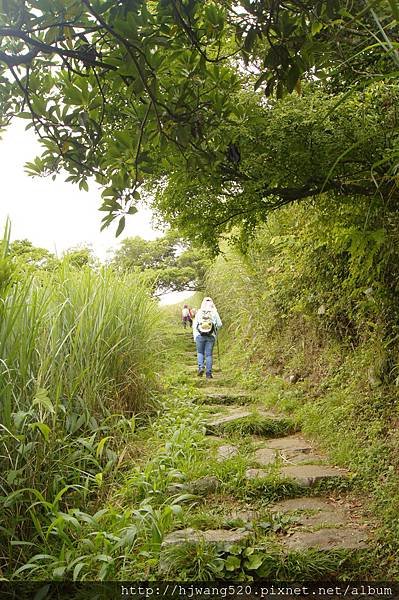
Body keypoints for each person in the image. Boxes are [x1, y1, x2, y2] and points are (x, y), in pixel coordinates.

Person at [192, 297, 222, 379]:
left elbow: (194, 325)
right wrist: (214, 329)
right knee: (209, 355)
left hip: (199, 335)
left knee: (200, 352)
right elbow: (219, 324)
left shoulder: (199, 312)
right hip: (211, 336)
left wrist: (195, 336)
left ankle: (201, 367)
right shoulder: (214, 312)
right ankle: (208, 373)